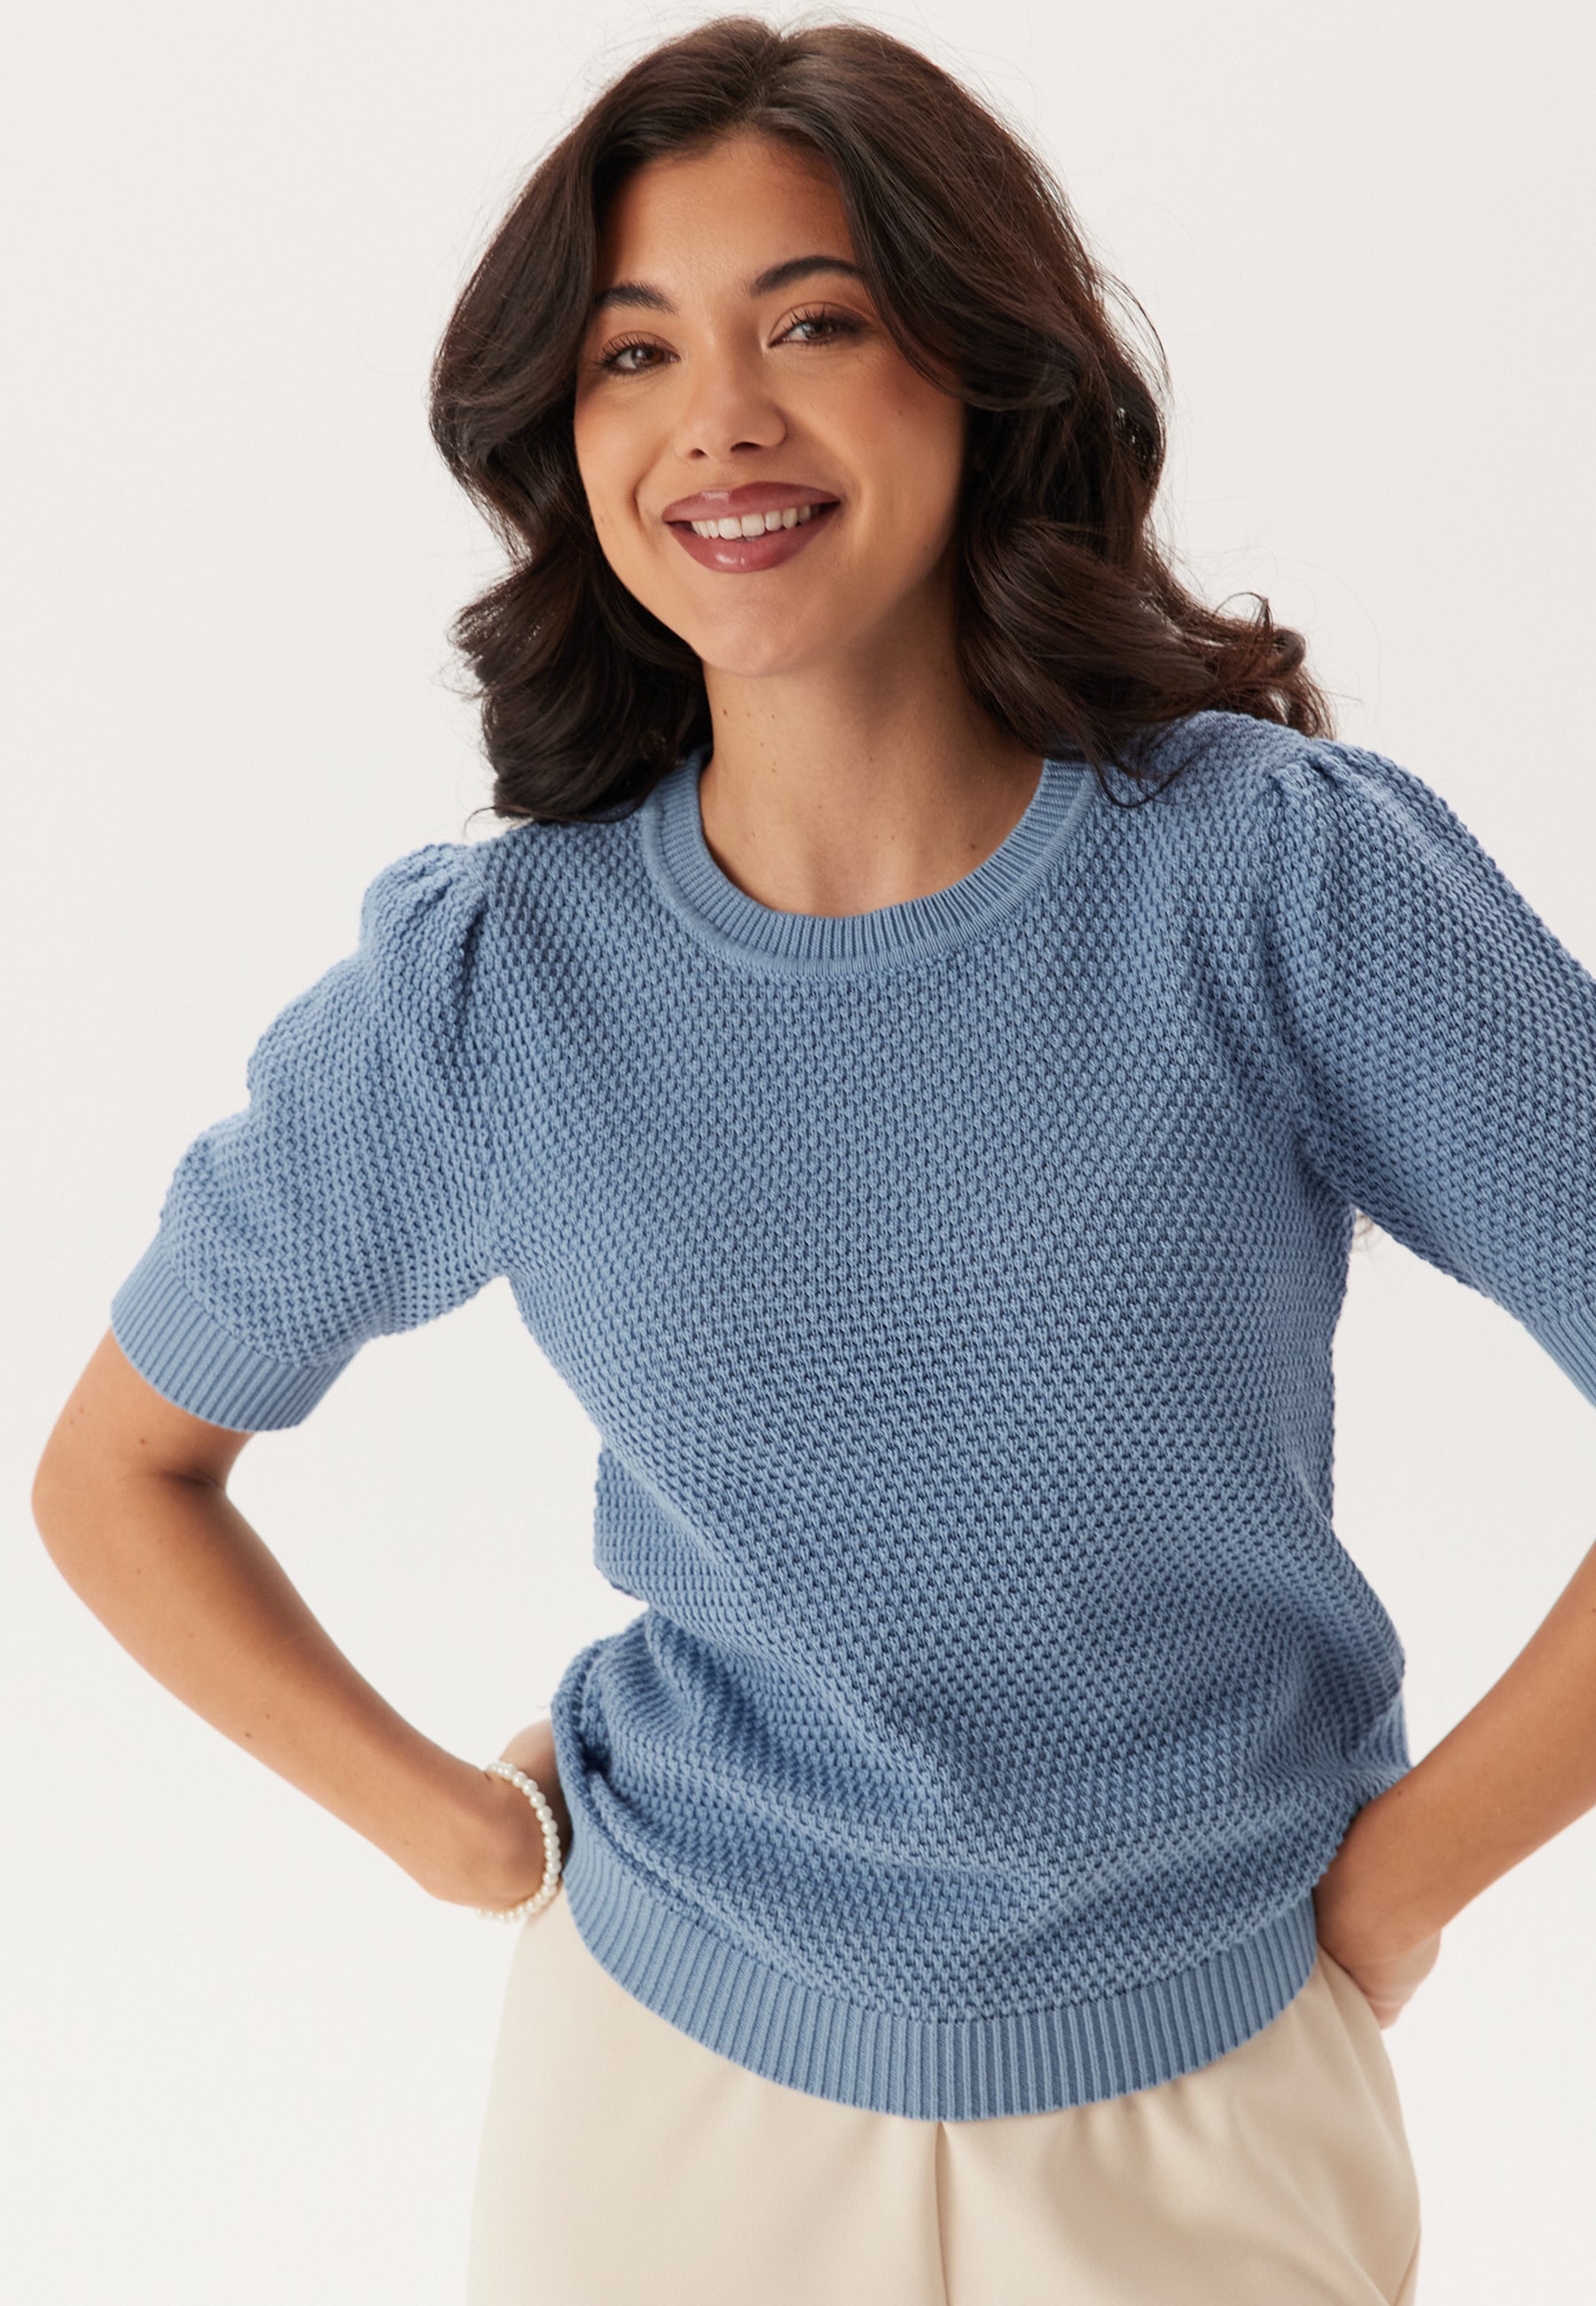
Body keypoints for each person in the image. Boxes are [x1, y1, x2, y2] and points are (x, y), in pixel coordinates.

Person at [31, 16, 1596, 2303]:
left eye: (815, 324)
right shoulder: (500, 983)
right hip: (665, 2099)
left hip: (1210, 2108)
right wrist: (456, 1839)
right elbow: (119, 1475)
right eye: (633, 352)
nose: (720, 419)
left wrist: (1404, 1883)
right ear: (569, 442)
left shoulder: (1274, 883)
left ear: (980, 371)